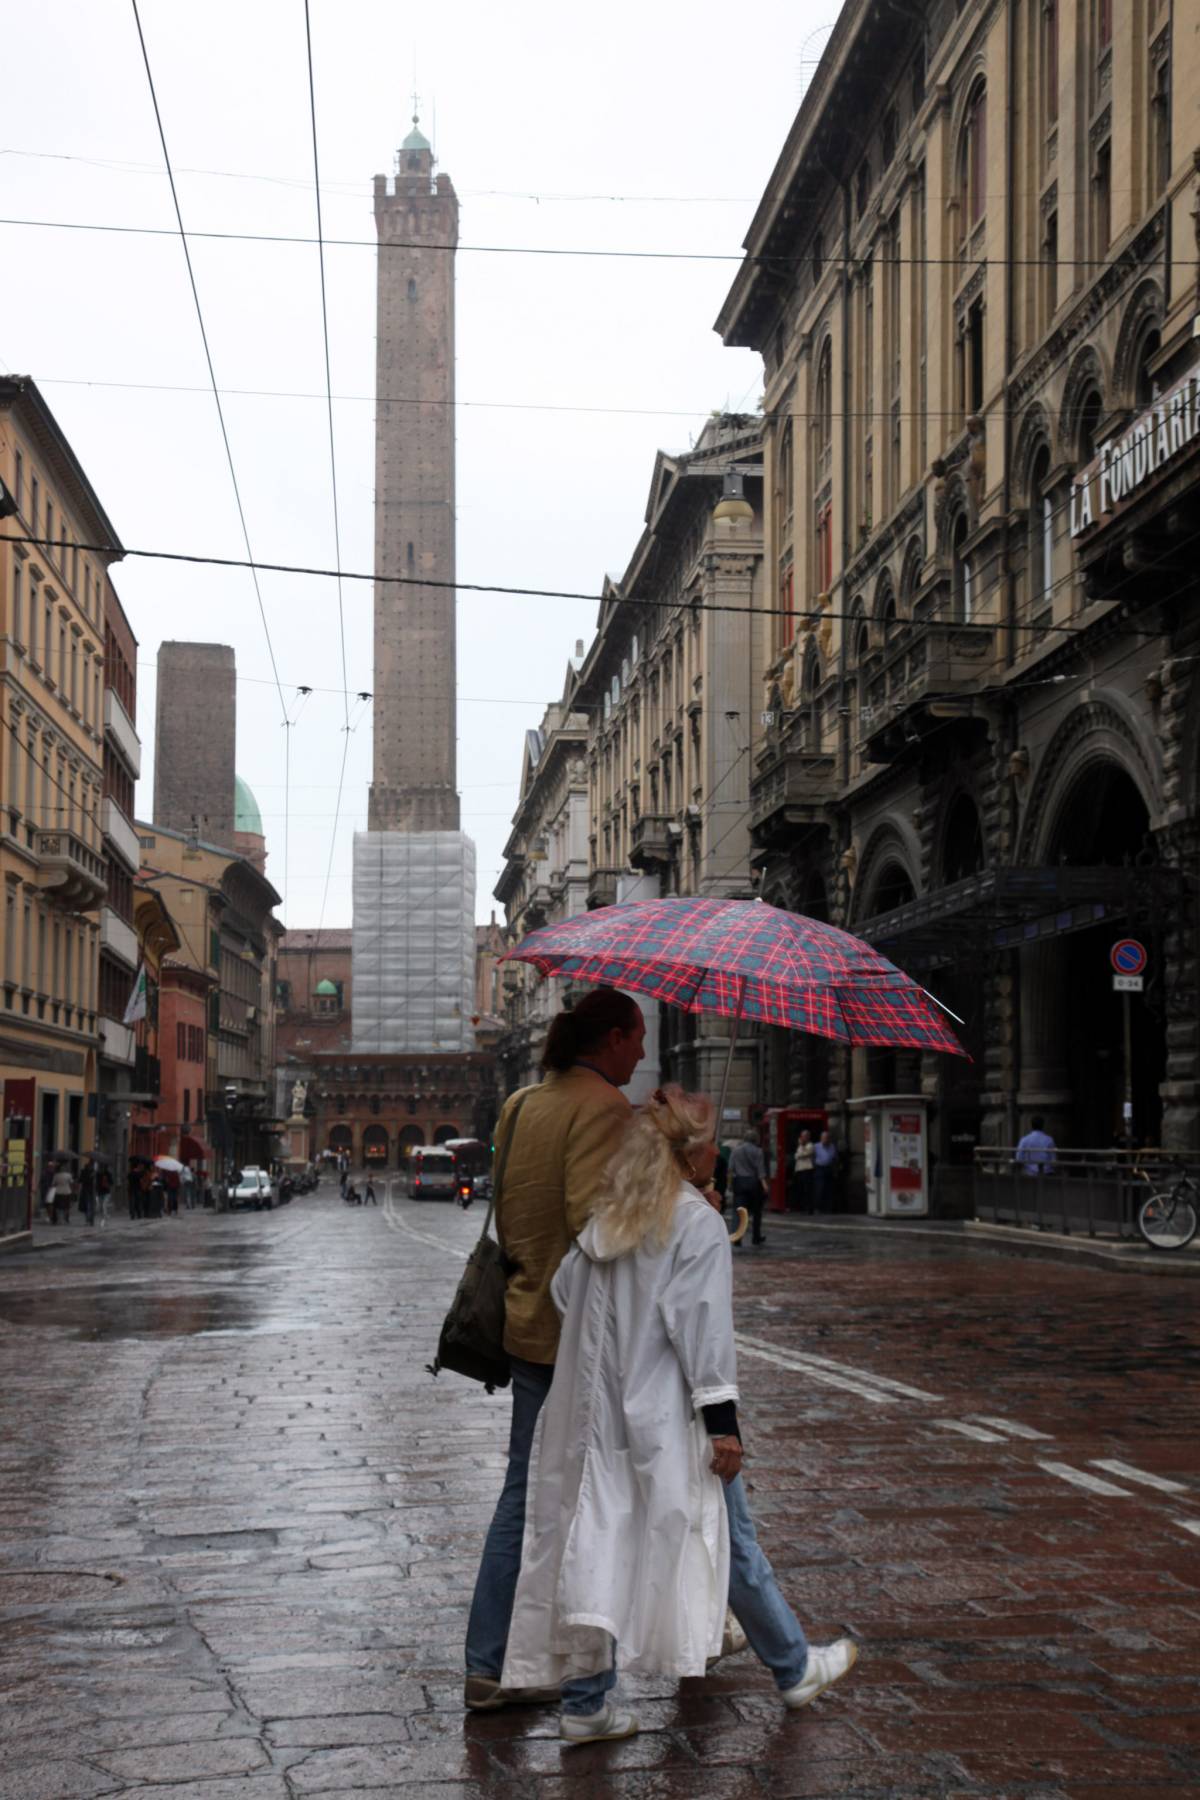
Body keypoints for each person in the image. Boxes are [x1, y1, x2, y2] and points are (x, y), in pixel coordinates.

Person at [501, 1086, 857, 1744]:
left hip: (592, 1417)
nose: (718, 1149)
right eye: (710, 1141)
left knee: (594, 1544)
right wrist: (722, 1423)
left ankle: (586, 1702)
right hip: (669, 1418)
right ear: (689, 1157)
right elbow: (704, 1333)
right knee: (728, 1535)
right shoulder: (694, 1225)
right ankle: (795, 1664)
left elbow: (561, 1293)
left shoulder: (610, 1218)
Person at [464, 985, 645, 1715]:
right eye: (634, 1039)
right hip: (580, 1336)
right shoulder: (604, 1109)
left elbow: (509, 1209)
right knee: (594, 1503)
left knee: (522, 1496)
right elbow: (596, 1227)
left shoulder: (523, 1103)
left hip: (524, 1323)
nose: (638, 1052)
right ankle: (587, 1685)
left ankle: (487, 1661)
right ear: (609, 1040)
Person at [727, 1125, 769, 1245]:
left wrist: (729, 1184)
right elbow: (761, 1171)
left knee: (738, 1211)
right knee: (757, 1212)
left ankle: (737, 1237)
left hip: (739, 1183)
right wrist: (765, 1185)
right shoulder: (758, 1151)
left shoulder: (736, 1150)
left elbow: (730, 1169)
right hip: (754, 1184)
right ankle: (756, 1237)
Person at [813, 1130, 838, 1212]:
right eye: (824, 1138)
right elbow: (812, 1158)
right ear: (821, 1138)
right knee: (820, 1188)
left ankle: (828, 1208)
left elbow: (835, 1158)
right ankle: (818, 1207)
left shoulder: (832, 1146)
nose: (826, 1140)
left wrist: (835, 1169)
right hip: (819, 1168)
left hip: (829, 1169)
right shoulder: (816, 1146)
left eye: (827, 1138)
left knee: (829, 1189)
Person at [791, 1130, 815, 1212]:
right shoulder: (800, 1146)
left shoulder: (810, 1145)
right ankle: (801, 1207)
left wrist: (801, 1146)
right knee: (799, 1189)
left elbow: (805, 1154)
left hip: (807, 1169)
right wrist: (800, 1151)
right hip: (799, 1170)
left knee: (807, 1190)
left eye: (804, 1136)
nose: (802, 1138)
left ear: (808, 1137)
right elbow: (796, 1156)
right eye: (801, 1136)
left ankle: (809, 1208)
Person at [50, 1161, 75, 1226]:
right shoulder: (69, 1175)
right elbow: (71, 1183)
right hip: (67, 1192)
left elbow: (53, 1184)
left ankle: (59, 1219)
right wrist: (73, 1191)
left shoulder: (56, 1175)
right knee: (66, 1207)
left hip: (58, 1192)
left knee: (58, 1207)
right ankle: (65, 1219)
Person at [78, 1158, 98, 1227]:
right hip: (88, 1190)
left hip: (90, 1190)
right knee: (88, 1205)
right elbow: (81, 1180)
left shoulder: (93, 1172)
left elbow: (80, 1180)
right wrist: (90, 1177)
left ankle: (90, 1220)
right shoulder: (86, 1172)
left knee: (90, 1205)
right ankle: (89, 1219)